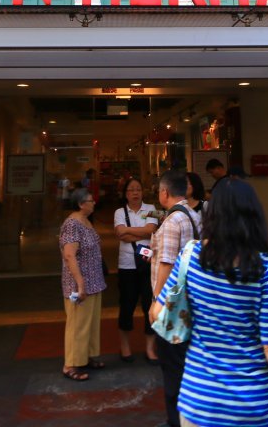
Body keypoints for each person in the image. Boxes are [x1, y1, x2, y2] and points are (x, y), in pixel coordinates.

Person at [153, 178, 268, 427]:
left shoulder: (191, 256)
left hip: (200, 402)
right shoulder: (263, 267)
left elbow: (159, 312)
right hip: (257, 405)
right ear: (253, 215)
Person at [149, 169, 202, 427]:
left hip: (173, 308)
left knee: (172, 367)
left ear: (165, 192)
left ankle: (175, 420)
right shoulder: (193, 215)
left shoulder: (172, 222)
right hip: (191, 300)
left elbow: (167, 263)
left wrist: (157, 302)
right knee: (185, 364)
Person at [59, 187, 107, 381]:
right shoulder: (72, 224)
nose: (94, 202)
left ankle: (86, 356)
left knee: (91, 322)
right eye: (90, 200)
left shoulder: (86, 221)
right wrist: (80, 284)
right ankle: (70, 363)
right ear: (80, 204)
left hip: (94, 281)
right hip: (80, 284)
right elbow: (69, 255)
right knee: (77, 324)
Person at [114, 177, 159, 363]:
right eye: (131, 190)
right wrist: (141, 231)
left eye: (138, 189)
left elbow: (151, 230)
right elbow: (119, 234)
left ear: (143, 192)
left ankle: (150, 349)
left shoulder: (151, 209)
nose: (135, 193)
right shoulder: (119, 211)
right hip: (127, 265)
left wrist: (129, 232)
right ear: (125, 194)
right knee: (127, 305)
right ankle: (125, 346)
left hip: (147, 263)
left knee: (149, 305)